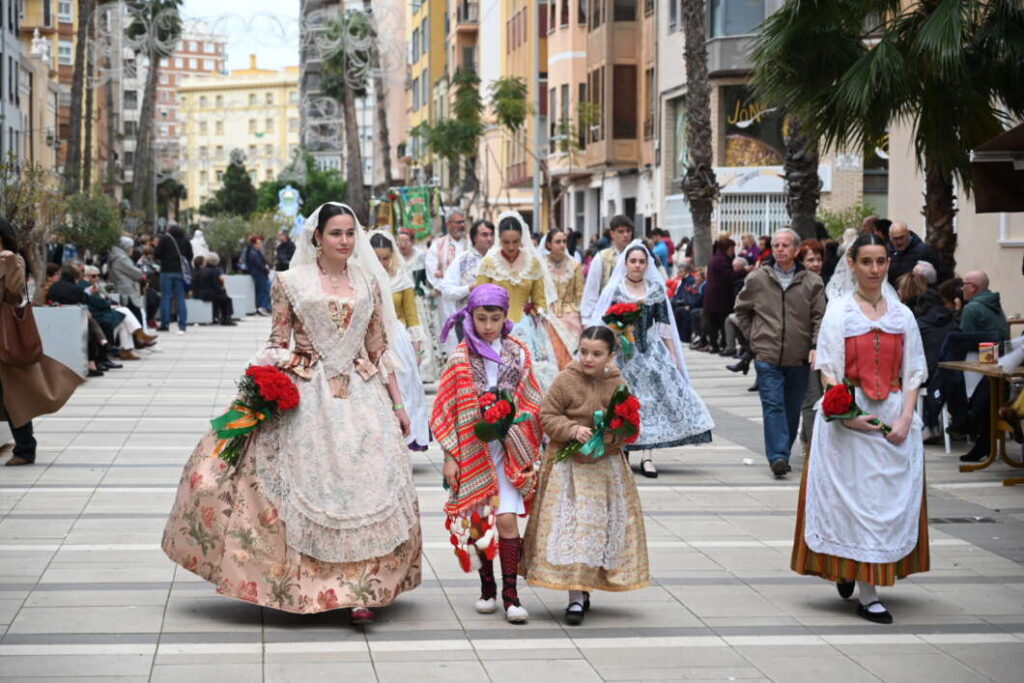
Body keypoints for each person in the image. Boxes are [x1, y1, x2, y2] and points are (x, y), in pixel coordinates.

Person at [161, 202, 422, 625]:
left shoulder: (370, 283)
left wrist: (398, 404)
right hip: (307, 393)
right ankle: (309, 586)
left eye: (350, 233)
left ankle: (364, 590)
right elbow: (278, 338)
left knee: (367, 485)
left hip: (362, 394)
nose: (344, 241)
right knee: (305, 484)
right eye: (336, 233)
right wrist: (260, 391)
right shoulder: (290, 281)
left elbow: (377, 347)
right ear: (316, 236)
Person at [792, 233, 930, 625]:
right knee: (854, 505)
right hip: (848, 422)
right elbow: (830, 370)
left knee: (883, 503)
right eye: (866, 261)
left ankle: (859, 574)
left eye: (881, 261)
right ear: (851, 264)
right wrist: (848, 416)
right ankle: (867, 593)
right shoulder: (840, 312)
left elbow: (914, 370)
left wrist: (905, 418)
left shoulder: (901, 315)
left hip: (890, 415)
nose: (874, 269)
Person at [431, 284, 544, 624]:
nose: (489, 325)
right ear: (471, 317)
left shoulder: (519, 352)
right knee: (480, 525)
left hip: (509, 449)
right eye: (482, 318)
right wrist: (451, 455)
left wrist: (519, 426)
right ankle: (487, 588)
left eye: (495, 318)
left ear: (505, 316)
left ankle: (511, 594)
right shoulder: (460, 358)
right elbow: (445, 409)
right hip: (473, 451)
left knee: (507, 520)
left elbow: (532, 398)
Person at [523, 326, 650, 624]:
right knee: (574, 530)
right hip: (568, 470)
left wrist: (611, 437)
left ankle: (588, 585)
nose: (589, 359)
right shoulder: (566, 379)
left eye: (597, 354)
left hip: (605, 469)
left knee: (597, 530)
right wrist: (572, 430)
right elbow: (547, 416)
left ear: (610, 355)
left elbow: (630, 424)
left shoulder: (617, 383)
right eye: (584, 352)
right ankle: (575, 597)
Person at [593, 242, 714, 478]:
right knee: (624, 402)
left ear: (647, 264)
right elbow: (606, 324)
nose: (637, 265)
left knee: (651, 403)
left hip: (651, 354)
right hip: (624, 355)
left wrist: (674, 357)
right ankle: (624, 449)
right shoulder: (616, 290)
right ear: (625, 264)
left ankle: (648, 455)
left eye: (641, 261)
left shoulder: (655, 290)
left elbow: (665, 326)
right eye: (633, 261)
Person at [735, 228, 826, 478]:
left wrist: (815, 346)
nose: (780, 249)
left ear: (796, 250)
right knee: (773, 405)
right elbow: (741, 310)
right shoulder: (757, 279)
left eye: (785, 245)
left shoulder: (812, 282)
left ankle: (782, 450)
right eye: (776, 245)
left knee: (791, 407)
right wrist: (754, 338)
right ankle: (778, 456)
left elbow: (820, 318)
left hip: (798, 357)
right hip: (767, 355)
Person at [0, 220, 83, 466]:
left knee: (13, 394)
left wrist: (6, 263)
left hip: (5, 333)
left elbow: (15, 291)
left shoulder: (12, 259)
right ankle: (24, 446)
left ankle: (26, 448)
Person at [475, 211, 572, 388]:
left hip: (527, 328)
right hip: (495, 326)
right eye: (506, 242)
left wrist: (538, 312)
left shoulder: (532, 263)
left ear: (522, 239)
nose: (511, 247)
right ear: (499, 240)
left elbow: (540, 299)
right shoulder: (489, 262)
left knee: (530, 375)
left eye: (515, 242)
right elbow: (478, 298)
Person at [369, 230, 431, 451]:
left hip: (398, 338)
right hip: (370, 338)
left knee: (404, 388)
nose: (382, 262)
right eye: (377, 258)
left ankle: (406, 438)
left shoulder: (401, 278)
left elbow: (412, 315)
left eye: (386, 257)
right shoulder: (361, 278)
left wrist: (416, 344)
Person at [954, 270, 1010, 463]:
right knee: (990, 400)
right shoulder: (994, 303)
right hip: (1003, 359)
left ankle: (967, 432)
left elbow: (965, 341)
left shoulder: (972, 309)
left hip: (982, 362)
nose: (962, 288)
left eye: (965, 285)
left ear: (974, 288)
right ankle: (986, 444)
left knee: (977, 401)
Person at [438, 219, 494, 339]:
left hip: (496, 323)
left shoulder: (499, 260)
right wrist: (469, 288)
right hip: (467, 322)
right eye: (484, 235)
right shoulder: (463, 260)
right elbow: (446, 291)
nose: (489, 239)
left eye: (491, 234)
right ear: (474, 238)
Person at [796, 239, 826, 455]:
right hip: (807, 348)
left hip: (827, 347)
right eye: (810, 259)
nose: (816, 263)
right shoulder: (800, 285)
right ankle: (813, 447)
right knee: (811, 397)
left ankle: (808, 437)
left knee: (824, 396)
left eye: (818, 259)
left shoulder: (826, 283)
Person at [426, 210, 469, 353]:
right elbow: (432, 271)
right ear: (448, 224)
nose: (461, 225)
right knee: (450, 332)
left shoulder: (471, 243)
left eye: (463, 222)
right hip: (446, 298)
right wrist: (446, 288)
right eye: (458, 222)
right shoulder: (438, 245)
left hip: (470, 296)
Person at [581, 215, 635, 322]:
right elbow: (592, 289)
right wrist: (587, 320)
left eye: (628, 231)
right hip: (607, 314)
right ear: (612, 234)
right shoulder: (602, 257)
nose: (625, 235)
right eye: (621, 231)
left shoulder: (638, 256)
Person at [698, 237, 739, 353]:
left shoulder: (715, 258)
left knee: (713, 323)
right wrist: (742, 271)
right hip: (721, 297)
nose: (733, 252)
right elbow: (729, 276)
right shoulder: (723, 260)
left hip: (712, 296)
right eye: (732, 249)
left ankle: (713, 344)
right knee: (721, 322)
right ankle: (722, 344)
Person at [544, 228, 585, 341]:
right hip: (548, 314)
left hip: (570, 313)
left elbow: (580, 295)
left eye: (564, 241)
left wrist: (582, 318)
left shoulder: (575, 265)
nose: (562, 245)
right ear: (549, 244)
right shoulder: (541, 265)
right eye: (558, 242)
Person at [155, 225, 193, 333]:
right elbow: (190, 256)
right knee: (180, 297)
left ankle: (165, 324)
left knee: (166, 297)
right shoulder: (186, 240)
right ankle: (182, 325)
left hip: (166, 271)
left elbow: (157, 253)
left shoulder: (165, 239)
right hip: (180, 272)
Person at [192, 253, 236, 326]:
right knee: (227, 299)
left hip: (201, 294)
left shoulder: (202, 270)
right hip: (210, 294)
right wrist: (222, 291)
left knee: (222, 298)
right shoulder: (216, 271)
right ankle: (226, 318)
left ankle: (219, 317)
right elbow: (216, 286)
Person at [246, 236, 272, 316]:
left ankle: (262, 307)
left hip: (260, 274)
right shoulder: (253, 254)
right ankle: (262, 307)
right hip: (259, 275)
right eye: (259, 243)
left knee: (262, 291)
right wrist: (266, 270)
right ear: (254, 244)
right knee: (265, 290)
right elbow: (259, 265)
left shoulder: (256, 253)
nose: (260, 244)